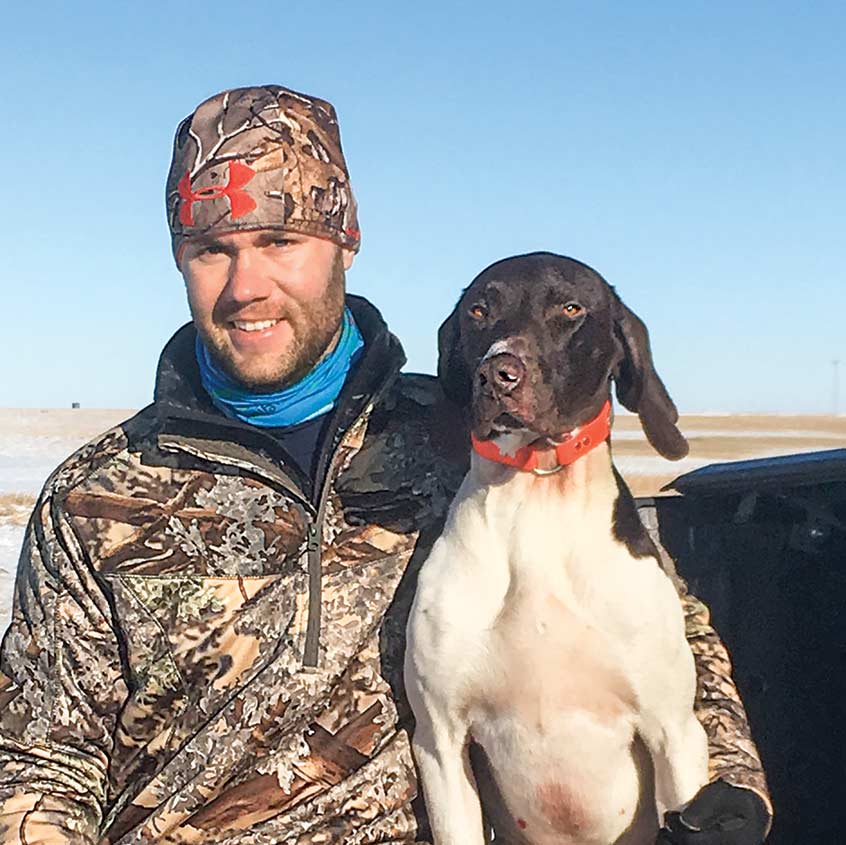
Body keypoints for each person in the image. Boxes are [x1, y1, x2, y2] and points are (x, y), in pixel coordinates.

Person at [0, 85, 771, 845]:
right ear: (179, 259)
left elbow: (666, 637)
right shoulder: (93, 497)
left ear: (345, 242)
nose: (246, 288)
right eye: (212, 251)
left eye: (280, 241)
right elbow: (38, 759)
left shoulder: (471, 438)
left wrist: (728, 785)